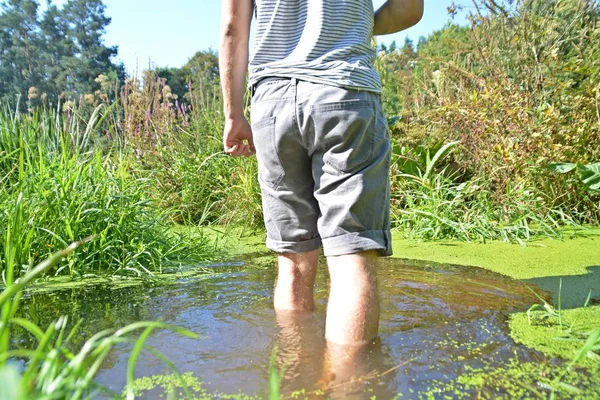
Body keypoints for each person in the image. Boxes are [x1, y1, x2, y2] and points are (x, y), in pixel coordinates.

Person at [219, 0, 424, 347]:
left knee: (293, 265)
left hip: (273, 103)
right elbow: (409, 8)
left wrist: (233, 113)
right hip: (343, 89)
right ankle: (350, 386)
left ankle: (296, 380)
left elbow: (231, 28)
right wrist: (357, 25)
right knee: (351, 261)